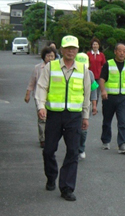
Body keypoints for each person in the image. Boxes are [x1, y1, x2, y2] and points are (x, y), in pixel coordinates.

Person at [35, 35, 91, 201]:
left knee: (73, 152)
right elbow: (41, 87)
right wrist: (41, 107)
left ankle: (67, 187)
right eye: (67, 48)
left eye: (74, 48)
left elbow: (86, 94)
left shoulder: (83, 69)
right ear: (61, 50)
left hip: (74, 116)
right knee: (48, 150)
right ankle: (51, 175)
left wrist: (85, 116)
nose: (71, 51)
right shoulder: (51, 67)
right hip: (54, 115)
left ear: (77, 50)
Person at [99, 43, 125, 153]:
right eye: (120, 50)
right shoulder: (108, 64)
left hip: (123, 98)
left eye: (124, 51)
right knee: (107, 121)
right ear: (115, 52)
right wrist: (103, 90)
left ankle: (122, 144)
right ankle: (106, 140)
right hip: (109, 97)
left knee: (123, 121)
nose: (122, 53)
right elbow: (102, 79)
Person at [24, 46, 56, 148]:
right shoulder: (37, 68)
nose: (50, 58)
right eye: (48, 56)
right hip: (39, 96)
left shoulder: (57, 68)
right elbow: (31, 82)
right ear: (43, 57)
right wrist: (28, 94)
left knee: (52, 118)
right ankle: (42, 138)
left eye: (52, 56)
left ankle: (50, 137)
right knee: (42, 118)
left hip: (53, 97)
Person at [75, 52, 98, 160]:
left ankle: (81, 149)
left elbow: (94, 90)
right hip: (73, 104)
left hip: (85, 105)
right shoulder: (71, 72)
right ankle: (73, 149)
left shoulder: (90, 74)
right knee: (73, 129)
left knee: (83, 129)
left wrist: (94, 105)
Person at [87, 37, 106, 104]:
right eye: (94, 44)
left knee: (96, 92)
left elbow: (104, 65)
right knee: (89, 91)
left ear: (98, 46)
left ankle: (94, 106)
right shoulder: (88, 54)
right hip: (89, 76)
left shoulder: (101, 55)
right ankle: (88, 105)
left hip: (98, 76)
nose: (95, 46)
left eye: (96, 44)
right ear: (92, 45)